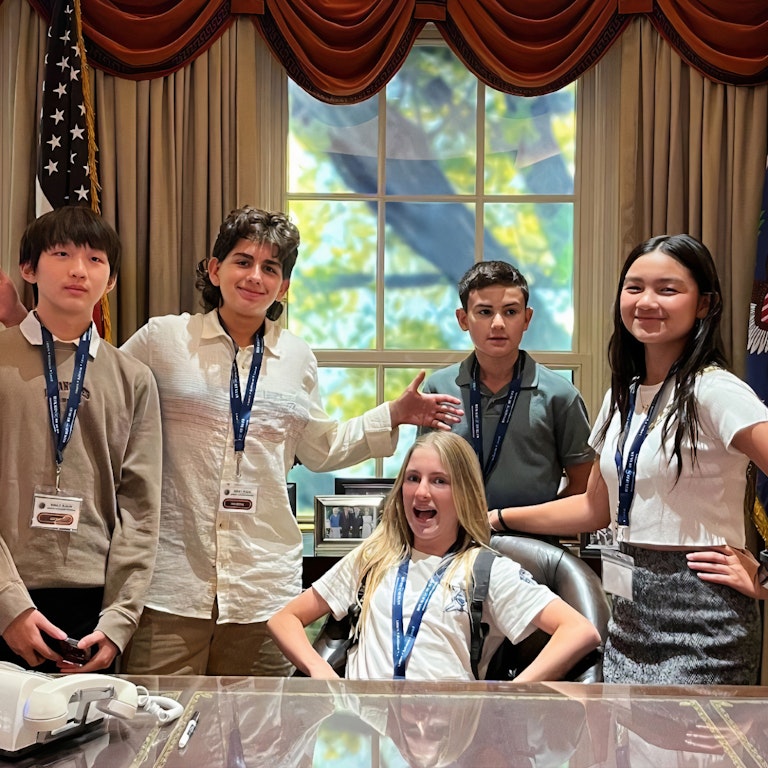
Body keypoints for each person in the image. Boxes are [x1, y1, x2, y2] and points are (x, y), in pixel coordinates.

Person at [113, 206, 462, 677]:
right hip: (172, 586)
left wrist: (394, 414)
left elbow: (321, 447)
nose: (255, 276)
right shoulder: (162, 340)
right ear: (215, 270)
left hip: (263, 589)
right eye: (243, 261)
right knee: (156, 739)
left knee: (262, 741)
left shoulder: (297, 357)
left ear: (284, 286)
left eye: (270, 268)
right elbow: (104, 399)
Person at [493, 234, 768, 685]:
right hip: (627, 620)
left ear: (704, 304)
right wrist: (496, 518)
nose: (646, 301)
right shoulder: (621, 396)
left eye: (668, 289)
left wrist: (765, 576)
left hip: (704, 622)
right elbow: (593, 508)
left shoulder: (715, 390)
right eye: (634, 287)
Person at [267, 430, 601, 681]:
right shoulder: (373, 557)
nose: (422, 492)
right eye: (413, 479)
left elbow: (579, 631)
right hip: (367, 731)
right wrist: (319, 670)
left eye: (439, 481)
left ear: (463, 495)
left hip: (448, 732)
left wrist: (515, 692)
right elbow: (283, 619)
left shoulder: (484, 569)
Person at [0, 206, 161, 674]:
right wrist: (9, 604)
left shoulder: (133, 378)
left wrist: (119, 619)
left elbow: (141, 507)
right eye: (62, 254)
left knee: (92, 746)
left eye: (95, 259)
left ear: (110, 281)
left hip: (95, 609)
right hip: (9, 593)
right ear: (29, 268)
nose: (78, 269)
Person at [420, 261, 594, 540]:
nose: (498, 323)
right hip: (452, 546)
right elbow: (426, 476)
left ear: (526, 319)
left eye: (510, 312)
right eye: (485, 312)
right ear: (463, 319)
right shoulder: (438, 388)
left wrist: (535, 520)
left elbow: (584, 486)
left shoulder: (560, 396)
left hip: (534, 551)